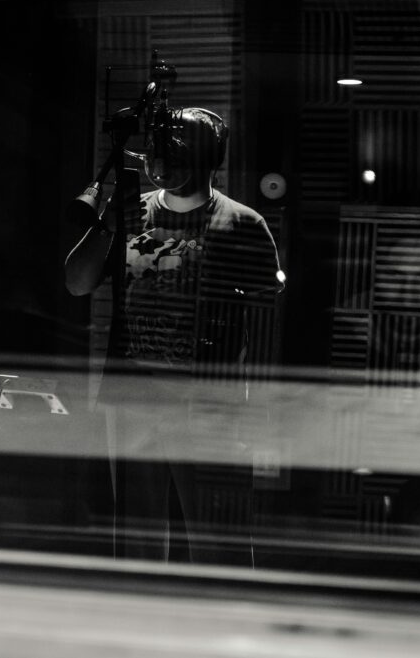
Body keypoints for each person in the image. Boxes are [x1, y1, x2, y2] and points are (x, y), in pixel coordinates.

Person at [64, 107, 284, 565]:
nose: (166, 160)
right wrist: (106, 223)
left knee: (217, 538)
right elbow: (77, 283)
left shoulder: (243, 224)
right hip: (136, 397)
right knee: (137, 538)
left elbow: (268, 315)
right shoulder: (131, 212)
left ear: (211, 157)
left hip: (208, 407)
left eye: (180, 148)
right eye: (162, 147)